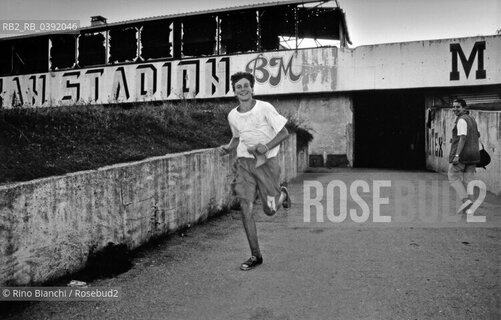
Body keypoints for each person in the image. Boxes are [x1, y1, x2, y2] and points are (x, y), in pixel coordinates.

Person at [220, 71, 290, 271]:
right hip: (244, 163)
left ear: (252, 88)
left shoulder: (265, 108)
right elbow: (236, 138)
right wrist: (228, 147)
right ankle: (255, 255)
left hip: (266, 164)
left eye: (246, 86)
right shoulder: (232, 115)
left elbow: (284, 132)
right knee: (245, 207)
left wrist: (266, 147)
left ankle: (282, 195)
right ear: (234, 91)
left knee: (269, 210)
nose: (243, 89)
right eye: (238, 87)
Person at [448, 98, 480, 215]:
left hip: (462, 155)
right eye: (454, 106)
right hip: (474, 154)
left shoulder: (461, 120)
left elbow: (463, 137)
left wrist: (457, 155)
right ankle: (469, 209)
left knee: (453, 177)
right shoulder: (472, 119)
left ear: (464, 108)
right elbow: (477, 134)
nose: (455, 109)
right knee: (468, 181)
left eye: (458, 107)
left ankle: (466, 201)